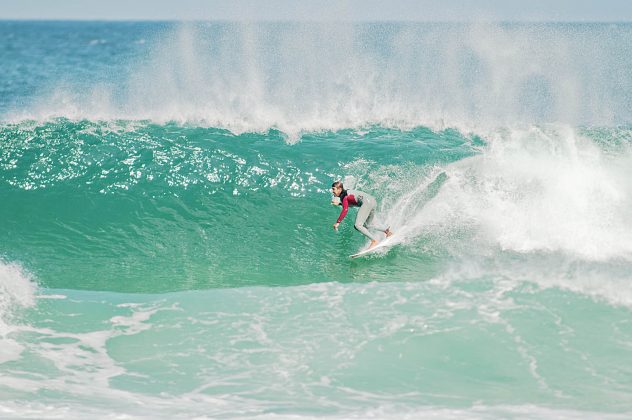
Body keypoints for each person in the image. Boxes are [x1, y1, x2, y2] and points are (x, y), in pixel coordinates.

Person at [331, 181, 392, 249]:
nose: (332, 191)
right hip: (373, 202)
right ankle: (386, 231)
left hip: (367, 203)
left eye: (334, 189)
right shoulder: (347, 193)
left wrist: (338, 222)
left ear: (339, 189)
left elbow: (345, 209)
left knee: (357, 225)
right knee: (366, 226)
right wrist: (339, 203)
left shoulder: (344, 196)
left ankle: (374, 241)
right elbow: (351, 204)